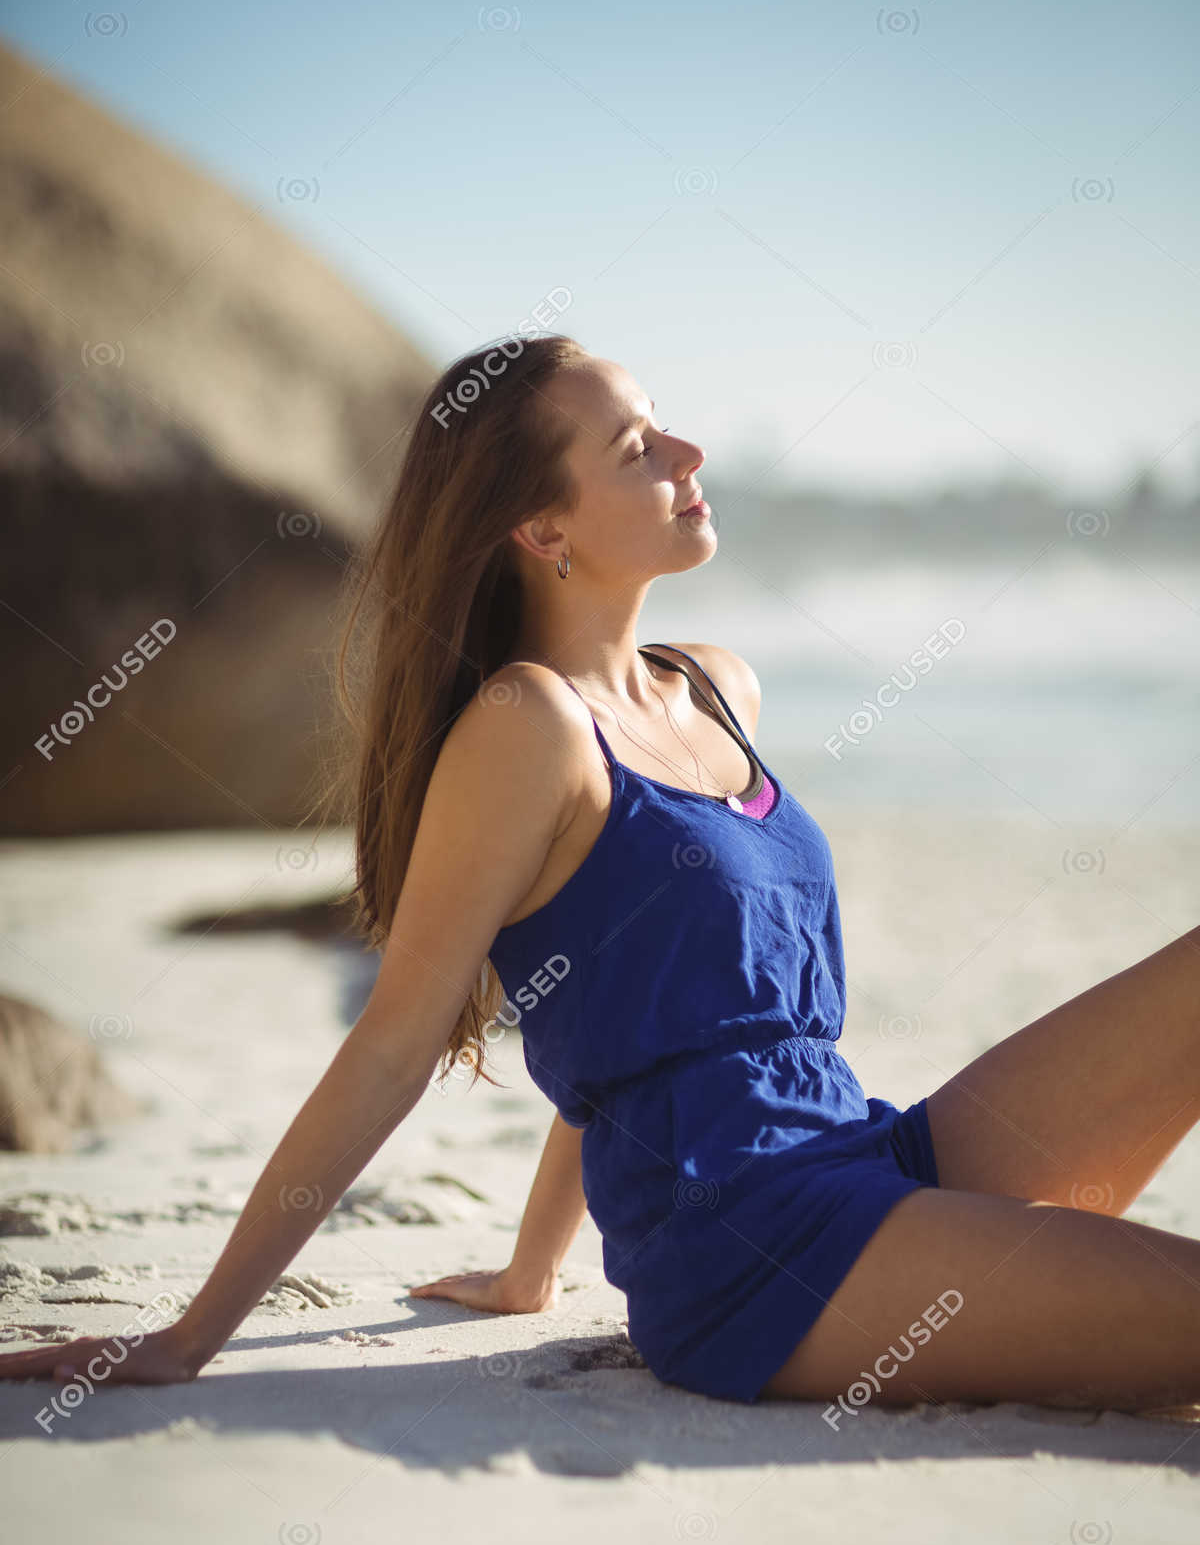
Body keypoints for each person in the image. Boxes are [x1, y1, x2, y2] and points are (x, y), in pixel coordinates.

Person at [4, 334, 1199, 1416]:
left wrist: (533, 1271)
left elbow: (642, 1006)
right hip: (757, 1252)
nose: (689, 451)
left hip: (860, 1155)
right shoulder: (528, 728)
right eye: (637, 448)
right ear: (543, 528)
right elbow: (391, 1047)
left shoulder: (718, 686)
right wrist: (189, 1336)